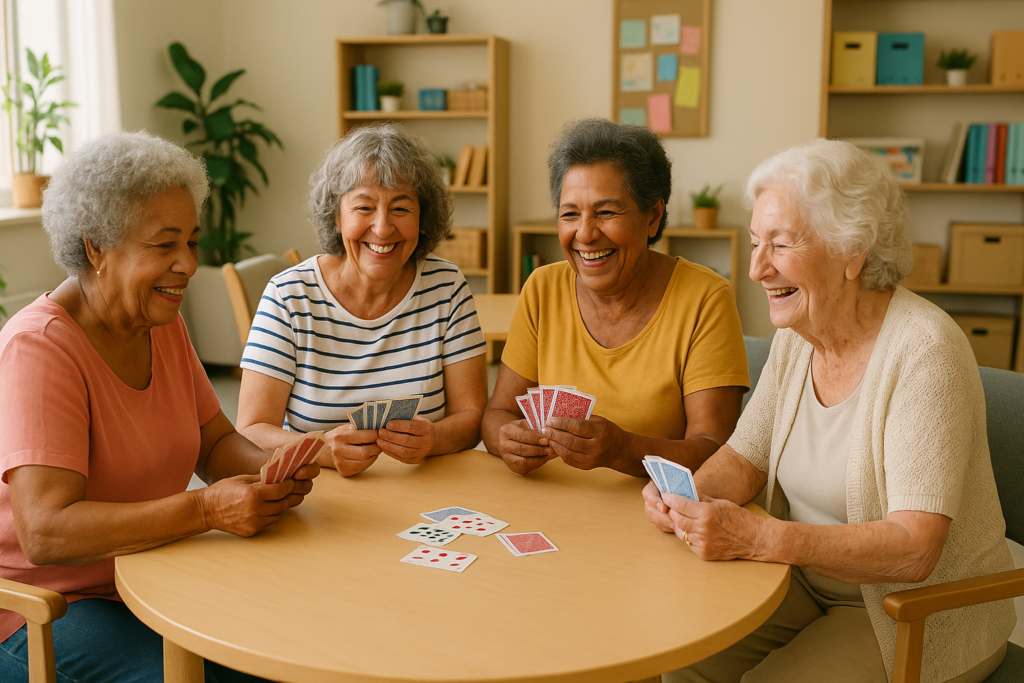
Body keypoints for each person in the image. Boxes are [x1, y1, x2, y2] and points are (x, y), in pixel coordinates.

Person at [646, 139, 1015, 683]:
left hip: (910, 611)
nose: (756, 268)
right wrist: (687, 492)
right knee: (680, 658)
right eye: (755, 243)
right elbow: (746, 457)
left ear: (852, 250)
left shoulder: (926, 352)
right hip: (798, 579)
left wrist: (757, 538)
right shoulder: (801, 336)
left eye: (780, 244)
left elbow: (915, 550)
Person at [0, 131, 318, 682]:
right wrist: (206, 511)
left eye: (192, 242)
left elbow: (214, 442)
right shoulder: (40, 348)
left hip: (152, 573)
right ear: (96, 246)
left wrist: (269, 471)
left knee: (295, 638)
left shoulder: (157, 321)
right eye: (164, 245)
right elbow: (46, 532)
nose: (188, 265)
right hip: (47, 610)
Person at [482, 118, 749, 476]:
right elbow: (498, 413)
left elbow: (717, 453)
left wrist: (624, 450)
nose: (585, 234)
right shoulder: (542, 288)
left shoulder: (705, 299)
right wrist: (506, 439)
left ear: (653, 217)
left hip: (653, 514)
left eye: (606, 212)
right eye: (570, 214)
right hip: (550, 502)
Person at [236, 124, 487, 477]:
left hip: (426, 493)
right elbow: (249, 431)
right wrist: (319, 449)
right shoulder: (288, 296)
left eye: (400, 209)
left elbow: (473, 416)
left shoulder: (446, 285)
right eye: (364, 207)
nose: (383, 229)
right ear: (337, 217)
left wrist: (436, 438)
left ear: (423, 219)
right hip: (321, 499)